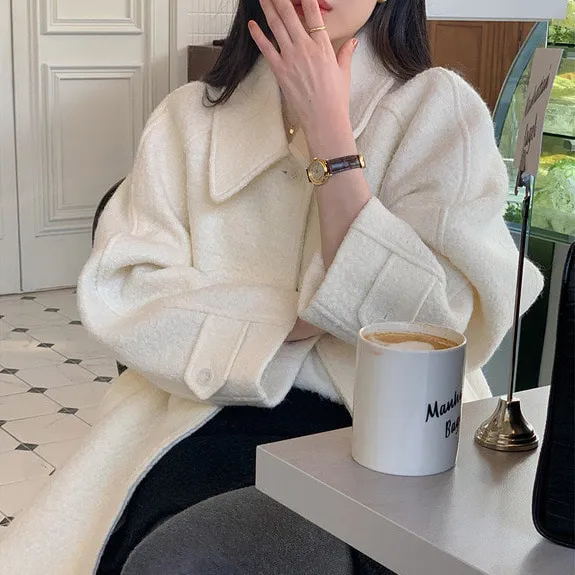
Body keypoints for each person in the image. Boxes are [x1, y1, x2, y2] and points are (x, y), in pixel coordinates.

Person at [0, 0, 543, 573]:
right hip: (194, 416)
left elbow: (436, 326)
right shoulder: (188, 117)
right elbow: (126, 293)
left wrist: (331, 137)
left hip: (389, 439)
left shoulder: (439, 111)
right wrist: (307, 314)